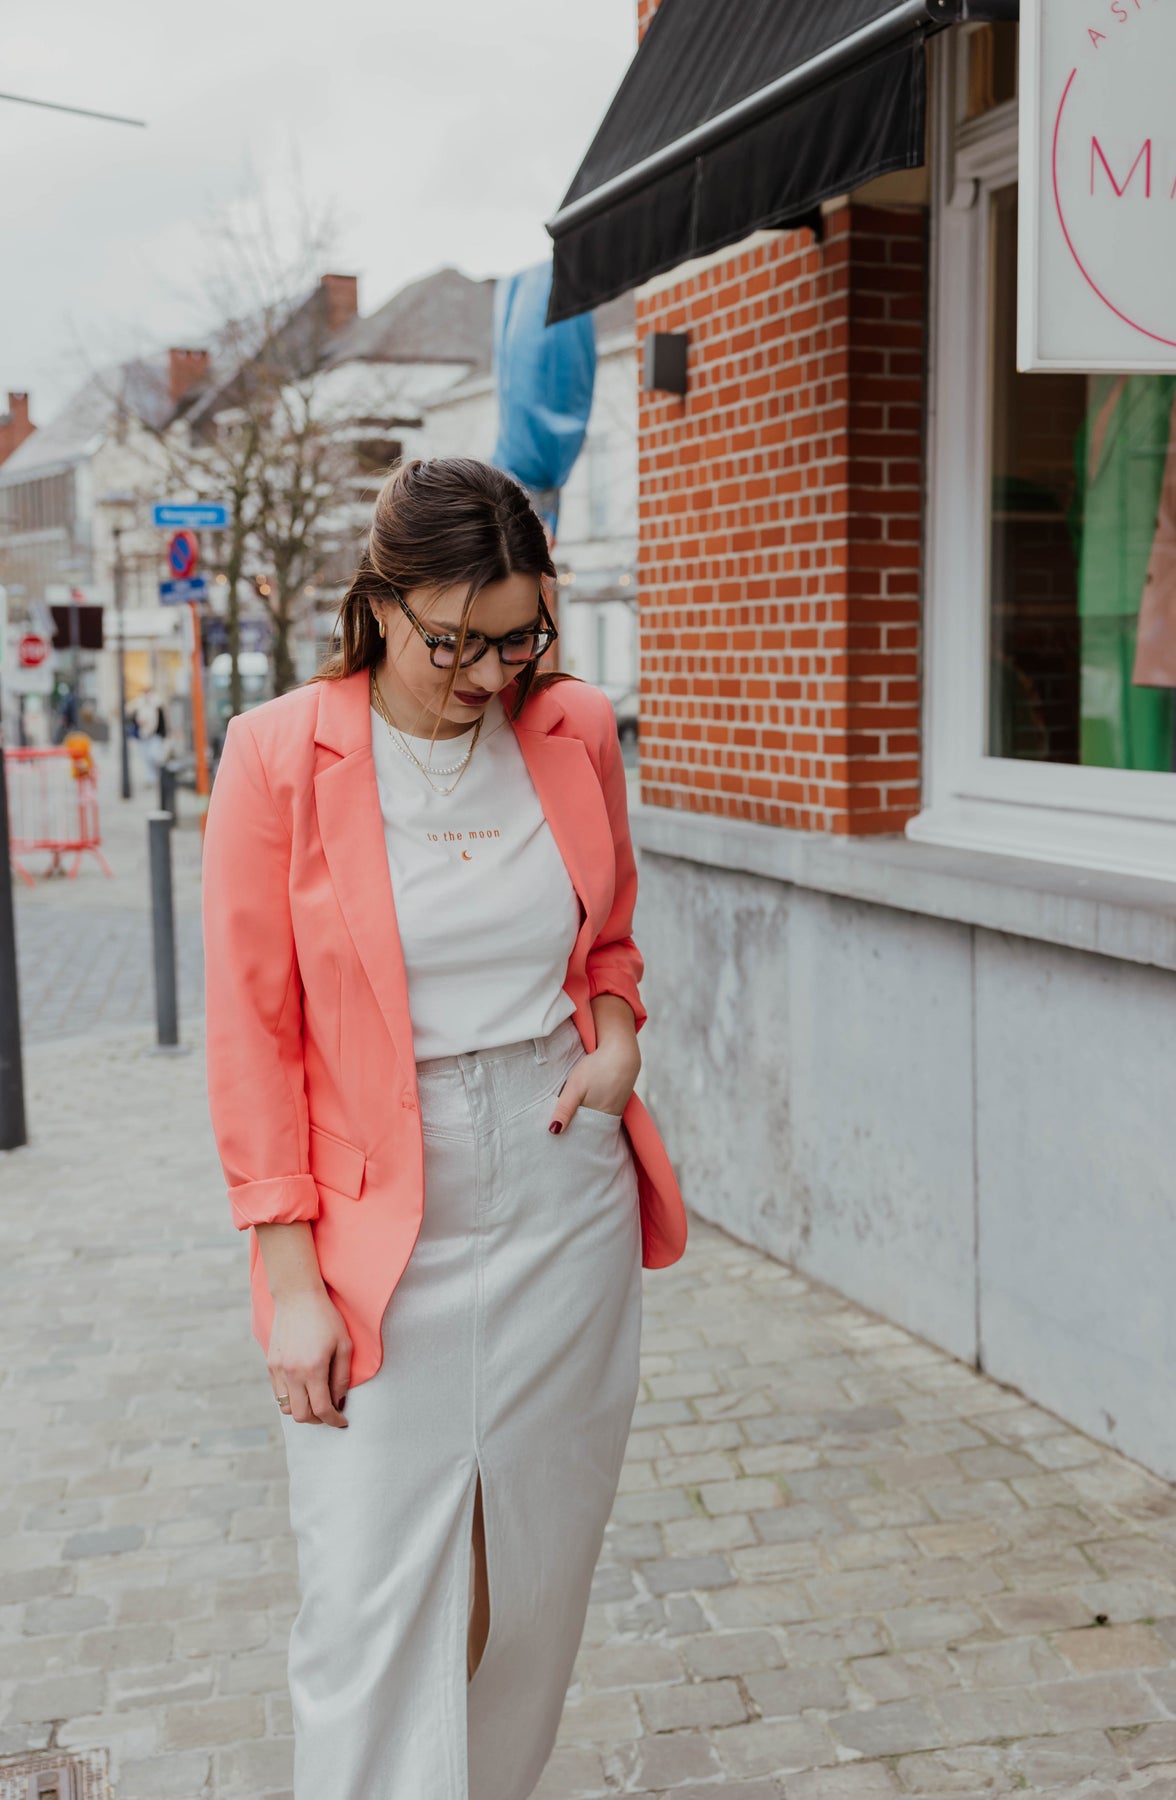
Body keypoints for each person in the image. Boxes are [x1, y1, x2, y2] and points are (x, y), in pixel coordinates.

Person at [200, 456, 687, 1800]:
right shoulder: (278, 756)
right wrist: (289, 1278)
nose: (486, 676)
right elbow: (254, 1035)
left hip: (558, 1181)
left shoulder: (573, 727)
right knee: (370, 1596)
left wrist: (619, 1035)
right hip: (378, 1218)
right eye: (453, 643)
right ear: (379, 603)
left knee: (529, 1576)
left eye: (516, 637)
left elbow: (612, 938)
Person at [133, 686, 168, 790]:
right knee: (146, 758)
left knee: (154, 756)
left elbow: (162, 720)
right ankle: (150, 779)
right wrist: (138, 722)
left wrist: (163, 734)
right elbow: (134, 717)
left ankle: (157, 775)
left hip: (155, 735)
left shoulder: (157, 704)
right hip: (143, 734)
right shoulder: (139, 704)